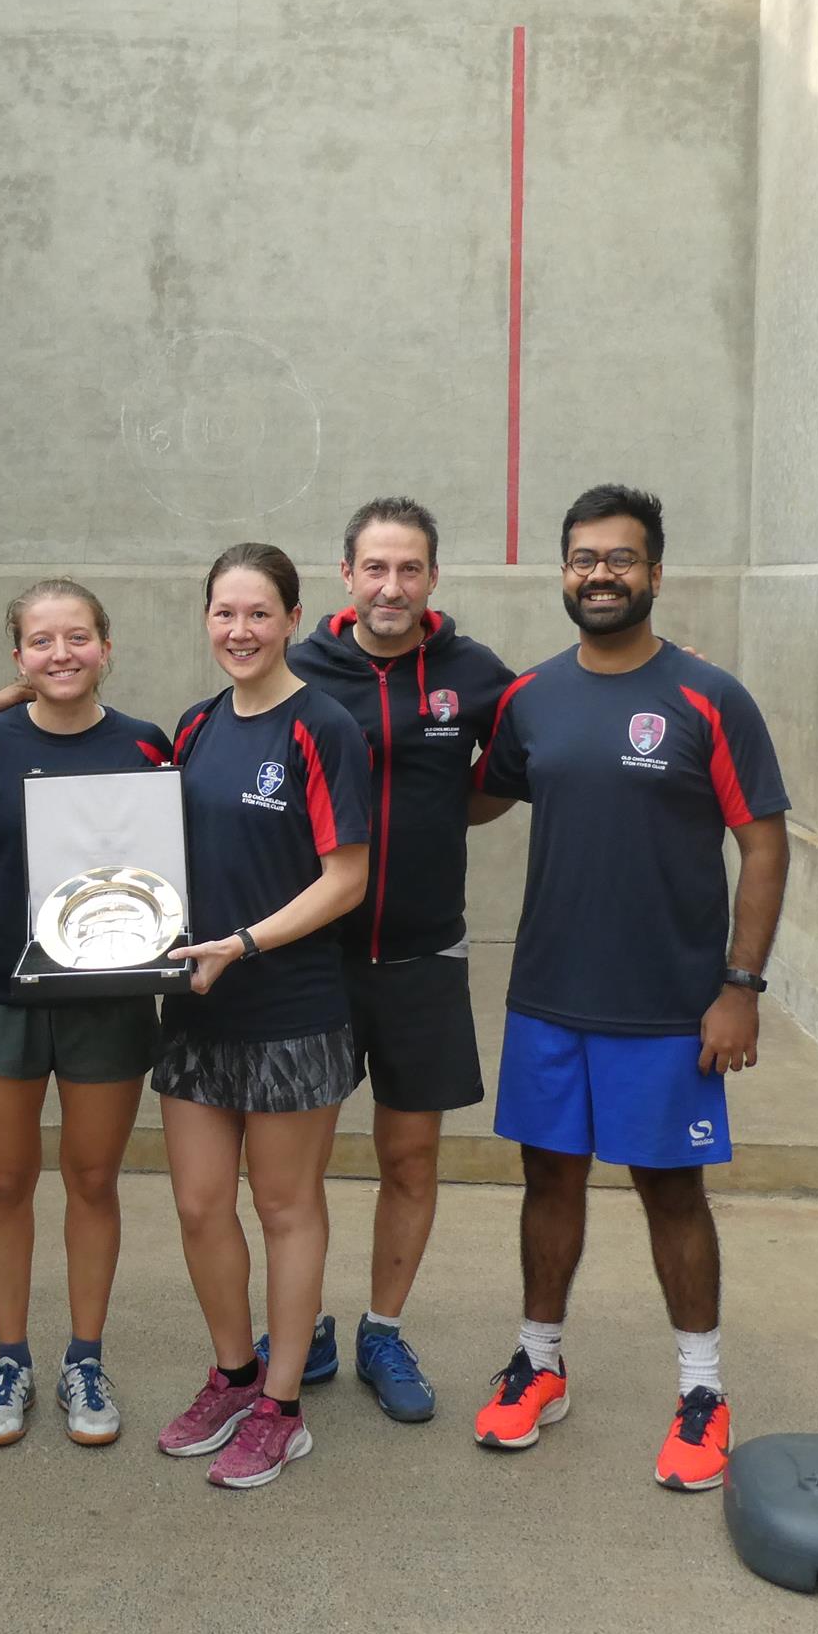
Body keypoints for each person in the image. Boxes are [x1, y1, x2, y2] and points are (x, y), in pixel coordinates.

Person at [469, 483, 790, 1493]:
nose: (598, 575)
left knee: (670, 1193)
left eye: (618, 559)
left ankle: (702, 1390)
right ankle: (540, 1364)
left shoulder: (708, 697)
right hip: (550, 997)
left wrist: (740, 987)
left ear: (655, 571)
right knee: (548, 1182)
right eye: (581, 559)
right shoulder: (530, 698)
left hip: (668, 1006)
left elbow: (765, 844)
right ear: (563, 572)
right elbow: (475, 795)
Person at [282, 496, 520, 1421]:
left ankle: (382, 1329)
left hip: (424, 956)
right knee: (292, 1170)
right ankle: (297, 1327)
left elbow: (500, 778)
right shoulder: (301, 670)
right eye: (374, 569)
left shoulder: (474, 674)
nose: (391, 586)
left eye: (409, 569)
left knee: (411, 1157)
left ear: (433, 578)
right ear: (345, 576)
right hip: (310, 960)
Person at [153, 544, 371, 1490]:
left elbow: (346, 878)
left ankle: (282, 1406)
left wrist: (241, 944)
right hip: (195, 1009)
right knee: (201, 1204)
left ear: (291, 619)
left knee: (284, 1207)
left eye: (258, 614)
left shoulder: (322, 727)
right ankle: (234, 1375)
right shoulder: (194, 726)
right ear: (206, 619)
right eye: (223, 614)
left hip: (291, 1009)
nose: (239, 631)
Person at [0, 580, 172, 1449]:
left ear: (105, 648)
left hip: (107, 996)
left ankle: (84, 1358)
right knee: (5, 1181)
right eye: (42, 641)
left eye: (78, 637)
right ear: (18, 658)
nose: (61, 653)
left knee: (92, 1180)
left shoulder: (146, 745)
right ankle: (11, 1359)